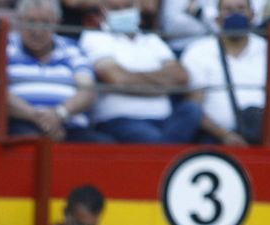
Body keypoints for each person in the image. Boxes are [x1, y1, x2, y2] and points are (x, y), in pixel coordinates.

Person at [179, 0, 270, 147]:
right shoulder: (198, 52)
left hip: (266, 128)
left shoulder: (268, 49)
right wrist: (224, 135)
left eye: (241, 9)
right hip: (219, 135)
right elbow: (194, 109)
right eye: (228, 10)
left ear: (252, 15)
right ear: (217, 19)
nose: (235, 15)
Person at [80, 0, 199, 142]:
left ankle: (164, 153)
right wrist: (162, 85)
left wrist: (132, 80)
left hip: (165, 120)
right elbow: (118, 79)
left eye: (128, 6)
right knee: (156, 140)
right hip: (120, 121)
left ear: (138, 6)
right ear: (103, 10)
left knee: (191, 110)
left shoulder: (152, 39)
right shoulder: (94, 37)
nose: (123, 12)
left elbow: (181, 76)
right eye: (116, 8)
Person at [5, 0, 107, 141]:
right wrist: (37, 116)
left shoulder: (72, 49)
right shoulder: (5, 46)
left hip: (69, 122)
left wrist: (59, 114)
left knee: (103, 146)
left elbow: (87, 90)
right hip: (22, 122)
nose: (37, 30)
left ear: (57, 22)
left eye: (45, 22)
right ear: (19, 21)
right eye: (31, 21)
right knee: (30, 143)